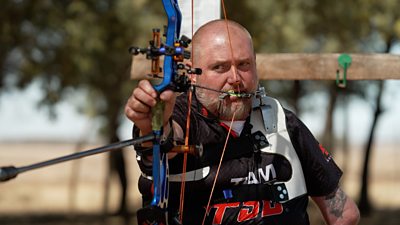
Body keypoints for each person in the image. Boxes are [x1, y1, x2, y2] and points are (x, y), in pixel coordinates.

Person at [125, 19, 360, 225]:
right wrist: (151, 123)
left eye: (244, 65)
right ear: (192, 73)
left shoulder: (281, 120)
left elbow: (344, 214)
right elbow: (163, 139)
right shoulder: (181, 118)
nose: (235, 78)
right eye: (220, 67)